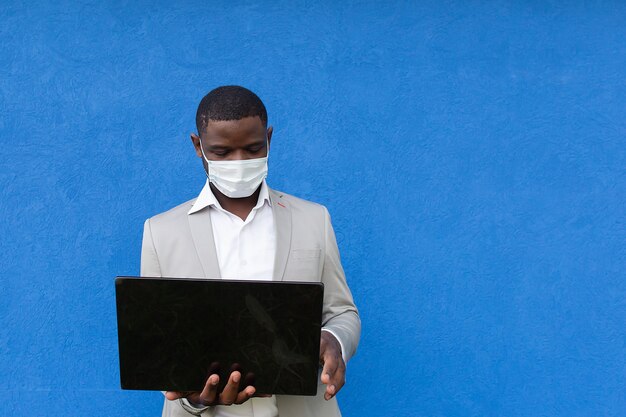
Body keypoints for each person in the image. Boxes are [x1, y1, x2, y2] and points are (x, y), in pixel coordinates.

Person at [140, 85, 360, 417]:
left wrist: (333, 340)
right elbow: (156, 339)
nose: (239, 162)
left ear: (269, 139)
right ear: (198, 146)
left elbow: (343, 312)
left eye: (253, 148)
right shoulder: (161, 231)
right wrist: (194, 397)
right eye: (222, 152)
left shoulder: (314, 219)